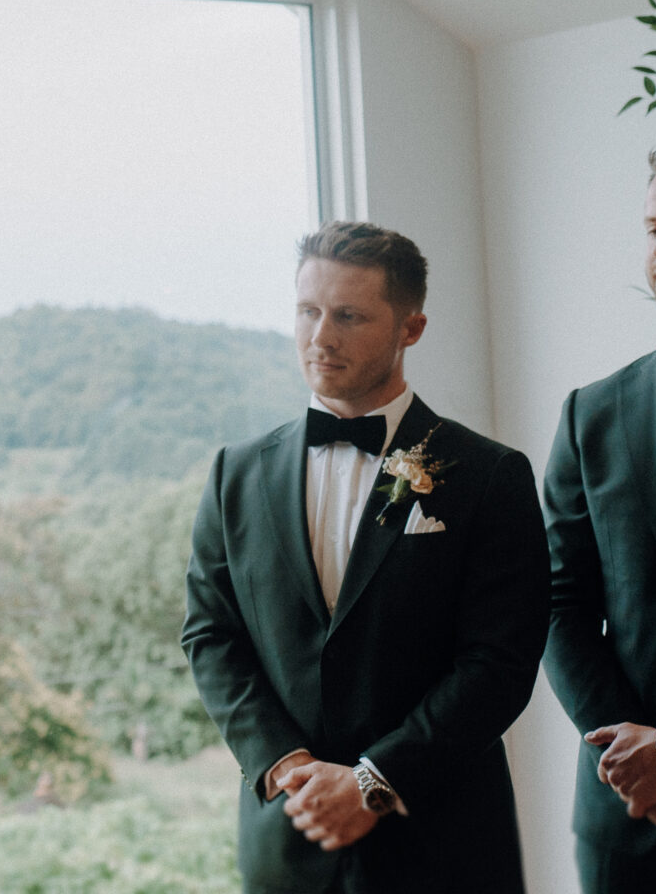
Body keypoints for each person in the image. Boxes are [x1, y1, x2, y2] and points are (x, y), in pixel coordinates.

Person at [181, 220, 548, 893]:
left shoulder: (488, 474)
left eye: (348, 315)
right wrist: (286, 765)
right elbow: (210, 634)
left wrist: (374, 782)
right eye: (308, 311)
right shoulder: (235, 474)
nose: (321, 336)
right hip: (290, 839)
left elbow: (500, 660)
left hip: (441, 846)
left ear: (411, 328)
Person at [545, 141, 656, 891]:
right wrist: (645, 774)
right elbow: (558, 601)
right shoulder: (592, 413)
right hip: (626, 826)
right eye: (652, 229)